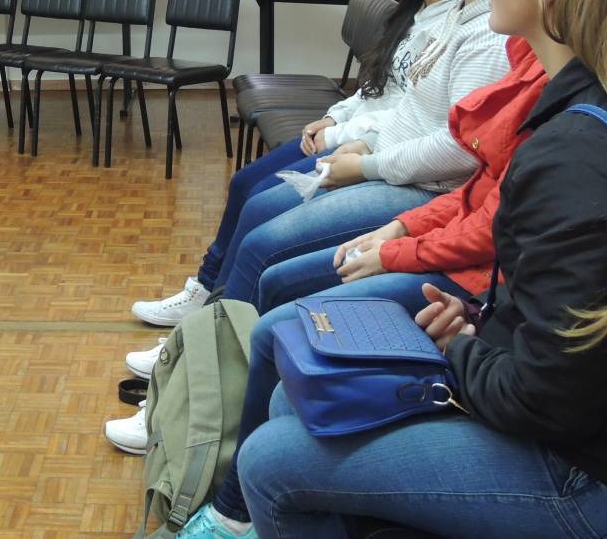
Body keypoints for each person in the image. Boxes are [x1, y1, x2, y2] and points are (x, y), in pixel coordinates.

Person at [239, 0, 607, 538]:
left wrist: (459, 348)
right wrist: (480, 321)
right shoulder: (597, 103)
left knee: (271, 460)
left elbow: (550, 403)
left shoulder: (575, 155)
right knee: (294, 398)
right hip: (576, 418)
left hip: (598, 483)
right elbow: (562, 318)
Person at [177, 34, 548, 537]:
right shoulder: (524, 61)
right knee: (262, 233)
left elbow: (483, 210)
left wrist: (396, 239)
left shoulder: (545, 92)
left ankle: (230, 502)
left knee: (272, 296)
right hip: (447, 242)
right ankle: (200, 398)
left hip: (465, 268)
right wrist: (399, 223)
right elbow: (475, 189)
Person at [130, 0, 458, 332]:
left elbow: (411, 115)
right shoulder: (412, 17)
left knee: (260, 206)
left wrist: (338, 136)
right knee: (244, 183)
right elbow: (373, 88)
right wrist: (332, 116)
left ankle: (213, 315)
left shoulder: (450, 31)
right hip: (353, 135)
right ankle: (205, 289)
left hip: (373, 151)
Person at [204, 0, 512, 305]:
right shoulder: (458, 13)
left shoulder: (487, 38)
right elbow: (410, 103)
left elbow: (459, 149)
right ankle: (210, 315)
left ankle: (219, 331)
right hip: (388, 160)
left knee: (263, 243)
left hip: (421, 184)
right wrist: (364, 143)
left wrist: (366, 164)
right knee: (257, 205)